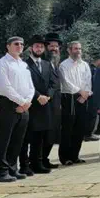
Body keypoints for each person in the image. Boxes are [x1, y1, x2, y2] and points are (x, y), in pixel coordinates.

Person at [0, 36, 33, 182]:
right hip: (8, 105)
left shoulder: (23, 64)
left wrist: (27, 101)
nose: (19, 46)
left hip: (24, 105)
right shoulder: (1, 64)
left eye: (22, 44)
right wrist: (21, 102)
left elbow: (30, 86)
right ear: (8, 46)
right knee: (5, 139)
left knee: (18, 140)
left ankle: (12, 168)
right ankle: (2, 172)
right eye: (16, 44)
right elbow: (5, 87)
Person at [19, 35, 57, 176]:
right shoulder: (24, 64)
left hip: (45, 104)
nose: (39, 49)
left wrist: (48, 96)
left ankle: (38, 163)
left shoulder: (47, 64)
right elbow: (25, 84)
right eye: (37, 46)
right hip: (31, 104)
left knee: (40, 137)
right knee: (26, 137)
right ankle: (24, 165)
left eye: (41, 46)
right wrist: (38, 96)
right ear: (31, 48)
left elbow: (54, 83)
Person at [57, 41, 92, 165]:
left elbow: (88, 80)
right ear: (69, 50)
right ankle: (65, 157)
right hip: (69, 98)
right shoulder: (63, 65)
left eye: (80, 49)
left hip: (83, 98)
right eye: (75, 49)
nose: (78, 51)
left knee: (80, 128)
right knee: (68, 129)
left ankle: (75, 155)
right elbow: (66, 82)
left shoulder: (85, 65)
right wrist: (80, 91)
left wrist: (86, 93)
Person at [42, 32, 62, 169]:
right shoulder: (42, 62)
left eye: (56, 46)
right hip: (43, 102)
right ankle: (37, 159)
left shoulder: (56, 62)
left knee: (51, 133)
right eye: (51, 46)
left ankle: (44, 158)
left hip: (55, 103)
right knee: (42, 133)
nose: (54, 49)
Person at [84, 57, 100, 142]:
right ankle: (88, 134)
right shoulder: (93, 70)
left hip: (89, 95)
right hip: (91, 96)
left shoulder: (90, 68)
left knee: (90, 115)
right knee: (92, 115)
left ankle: (87, 133)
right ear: (98, 61)